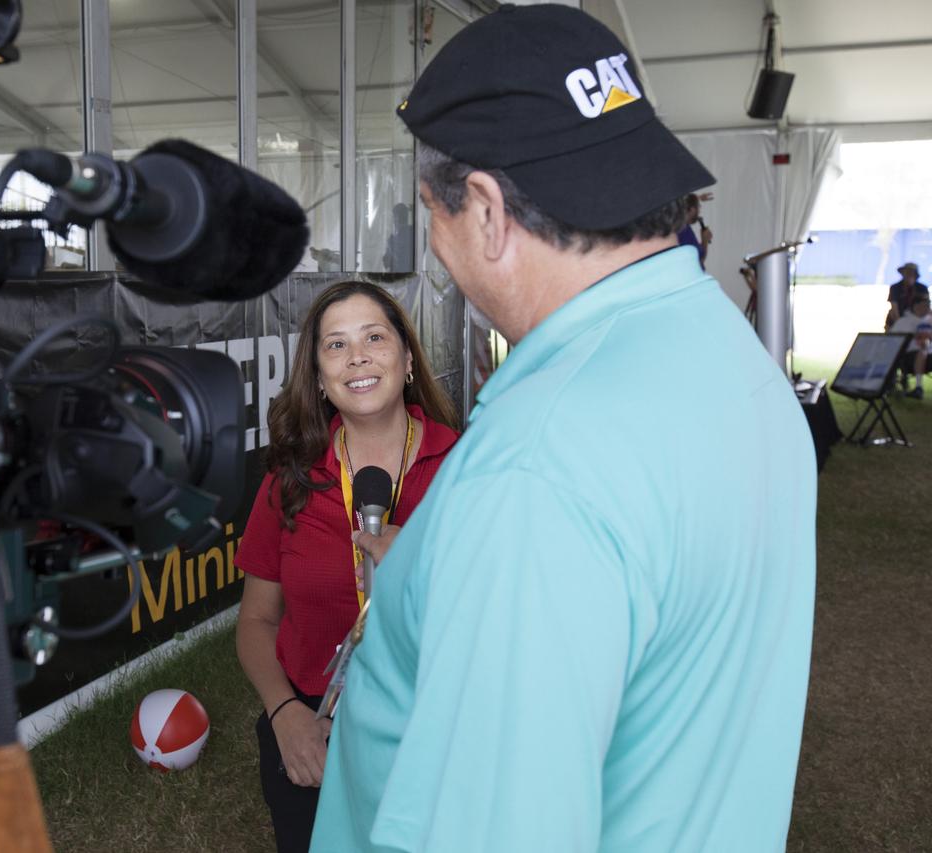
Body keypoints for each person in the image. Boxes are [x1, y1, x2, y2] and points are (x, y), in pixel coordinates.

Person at [311, 6, 817, 852]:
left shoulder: (537, 471)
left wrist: (500, 551)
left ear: (483, 209)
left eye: (430, 217)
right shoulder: (731, 356)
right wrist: (453, 579)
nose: (437, 247)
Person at [235, 281, 459, 853]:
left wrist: (418, 560)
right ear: (318, 378)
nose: (356, 356)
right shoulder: (289, 478)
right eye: (335, 345)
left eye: (374, 337)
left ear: (407, 360)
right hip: (314, 724)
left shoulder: (466, 467)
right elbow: (257, 622)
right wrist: (285, 715)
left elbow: (506, 615)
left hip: (435, 722)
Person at [889, 294, 932, 398]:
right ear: (916, 306)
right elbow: (891, 340)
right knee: (922, 351)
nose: (928, 308)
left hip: (929, 354)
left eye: (928, 305)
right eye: (925, 305)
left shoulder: (930, 320)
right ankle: (918, 387)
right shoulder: (903, 322)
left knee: (924, 351)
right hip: (908, 357)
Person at [886, 262, 928, 330]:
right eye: (906, 272)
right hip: (896, 319)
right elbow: (894, 307)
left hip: (917, 321)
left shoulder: (922, 288)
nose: (908, 274)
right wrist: (900, 323)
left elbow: (925, 306)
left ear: (915, 275)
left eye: (911, 272)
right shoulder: (895, 287)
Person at [676, 192, 712, 268]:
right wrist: (705, 241)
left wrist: (697, 198)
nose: (699, 212)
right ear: (692, 210)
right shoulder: (683, 232)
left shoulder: (682, 227)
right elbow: (698, 262)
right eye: (698, 207)